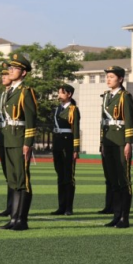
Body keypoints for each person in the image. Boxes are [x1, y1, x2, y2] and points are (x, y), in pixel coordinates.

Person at [0, 54, 37, 231]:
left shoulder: (25, 92)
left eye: (14, 68)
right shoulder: (10, 92)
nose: (10, 70)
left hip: (20, 139)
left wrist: (28, 143)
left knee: (22, 180)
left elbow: (31, 120)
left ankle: (21, 219)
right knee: (13, 180)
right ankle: (13, 218)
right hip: (8, 138)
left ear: (24, 73)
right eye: (10, 68)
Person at [100, 66, 133, 229]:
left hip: (121, 142)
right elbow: (103, 122)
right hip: (109, 142)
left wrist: (128, 142)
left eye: (112, 77)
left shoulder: (125, 96)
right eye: (107, 77)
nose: (108, 79)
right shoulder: (106, 96)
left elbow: (128, 120)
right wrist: (102, 142)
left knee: (123, 180)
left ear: (120, 79)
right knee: (113, 180)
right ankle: (116, 215)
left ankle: (124, 217)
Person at [50, 84, 81, 216]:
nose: (59, 95)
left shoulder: (73, 109)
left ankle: (69, 207)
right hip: (57, 144)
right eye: (59, 93)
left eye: (62, 93)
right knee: (60, 176)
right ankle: (61, 206)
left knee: (68, 177)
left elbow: (75, 129)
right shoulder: (57, 109)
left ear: (69, 94)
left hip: (68, 145)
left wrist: (75, 149)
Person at [0, 62, 14, 217]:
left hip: (13, 135)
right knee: (7, 174)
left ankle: (15, 207)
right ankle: (10, 206)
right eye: (2, 75)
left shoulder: (17, 93)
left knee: (15, 174)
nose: (3, 77)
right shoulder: (3, 94)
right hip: (3, 135)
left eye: (6, 74)